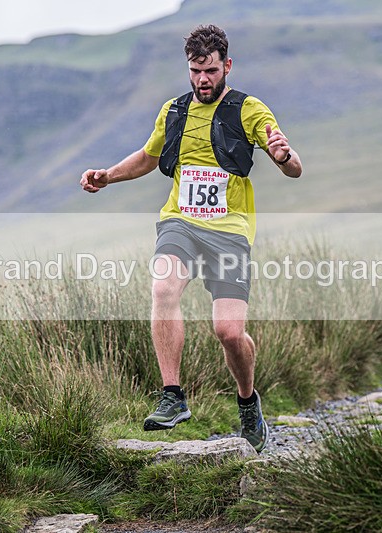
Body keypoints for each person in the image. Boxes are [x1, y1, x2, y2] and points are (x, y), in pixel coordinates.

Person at [80, 24, 302, 452]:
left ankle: (247, 402)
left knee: (229, 332)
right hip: (179, 222)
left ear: (227, 66)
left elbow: (292, 166)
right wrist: (108, 176)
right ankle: (172, 396)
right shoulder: (175, 111)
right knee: (163, 286)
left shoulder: (249, 110)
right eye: (196, 71)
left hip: (230, 231)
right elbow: (148, 157)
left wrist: (283, 156)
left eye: (211, 71)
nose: (203, 80)